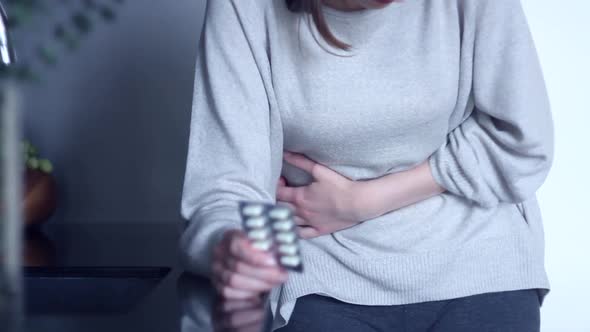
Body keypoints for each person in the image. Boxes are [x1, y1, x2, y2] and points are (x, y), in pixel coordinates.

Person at [180, 0, 554, 331]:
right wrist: (231, 245)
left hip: (481, 261)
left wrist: (365, 201)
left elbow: (522, 144)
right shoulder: (244, 8)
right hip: (320, 276)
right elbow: (229, 188)